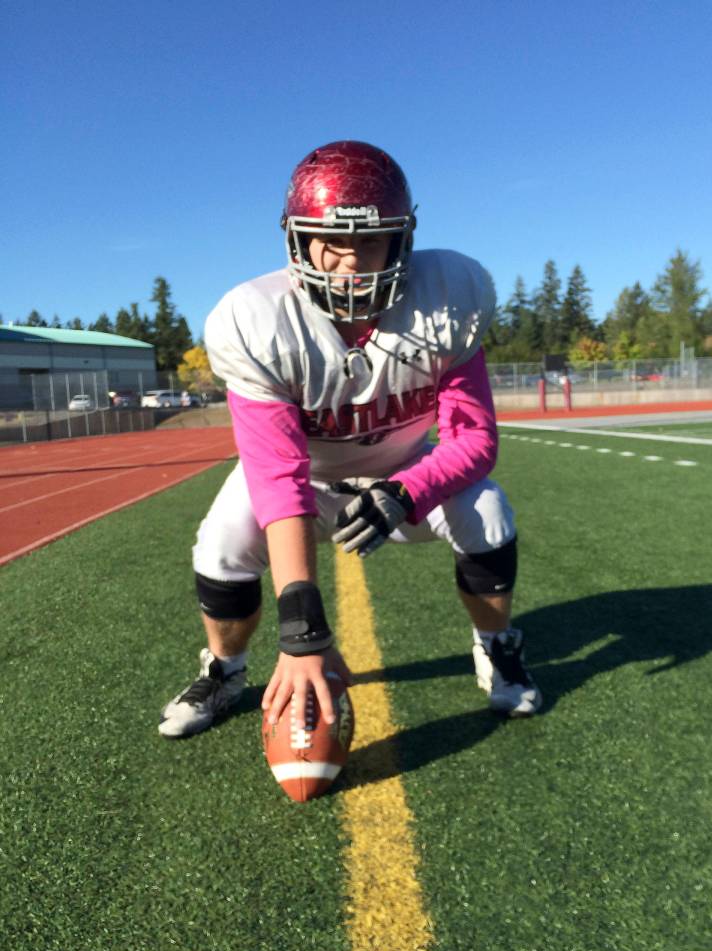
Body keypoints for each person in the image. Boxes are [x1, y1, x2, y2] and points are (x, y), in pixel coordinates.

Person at [158, 140, 542, 739]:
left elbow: (475, 440)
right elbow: (278, 476)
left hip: (407, 470)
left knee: (488, 514)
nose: (351, 261)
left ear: (402, 238)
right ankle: (226, 668)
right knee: (222, 548)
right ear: (297, 239)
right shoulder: (256, 319)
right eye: (331, 241)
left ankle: (495, 644)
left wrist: (405, 492)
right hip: (303, 476)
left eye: (370, 240)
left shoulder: (447, 296)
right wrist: (301, 629)